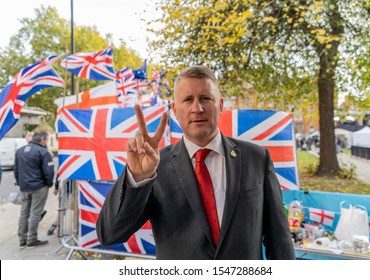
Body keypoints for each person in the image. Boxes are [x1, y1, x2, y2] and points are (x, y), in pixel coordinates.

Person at [97, 65, 295, 260]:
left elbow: (279, 239)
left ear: (220, 105)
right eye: (188, 99)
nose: (197, 108)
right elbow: (110, 234)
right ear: (174, 110)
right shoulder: (155, 167)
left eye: (206, 98)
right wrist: (138, 176)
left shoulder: (257, 159)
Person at [14, 130, 55, 249]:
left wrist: (20, 183)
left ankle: (22, 239)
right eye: (46, 139)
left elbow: (16, 170)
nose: (46, 142)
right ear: (42, 139)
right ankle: (32, 239)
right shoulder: (43, 152)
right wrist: (49, 184)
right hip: (39, 187)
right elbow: (49, 172)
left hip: (24, 187)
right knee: (35, 213)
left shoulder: (20, 151)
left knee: (24, 212)